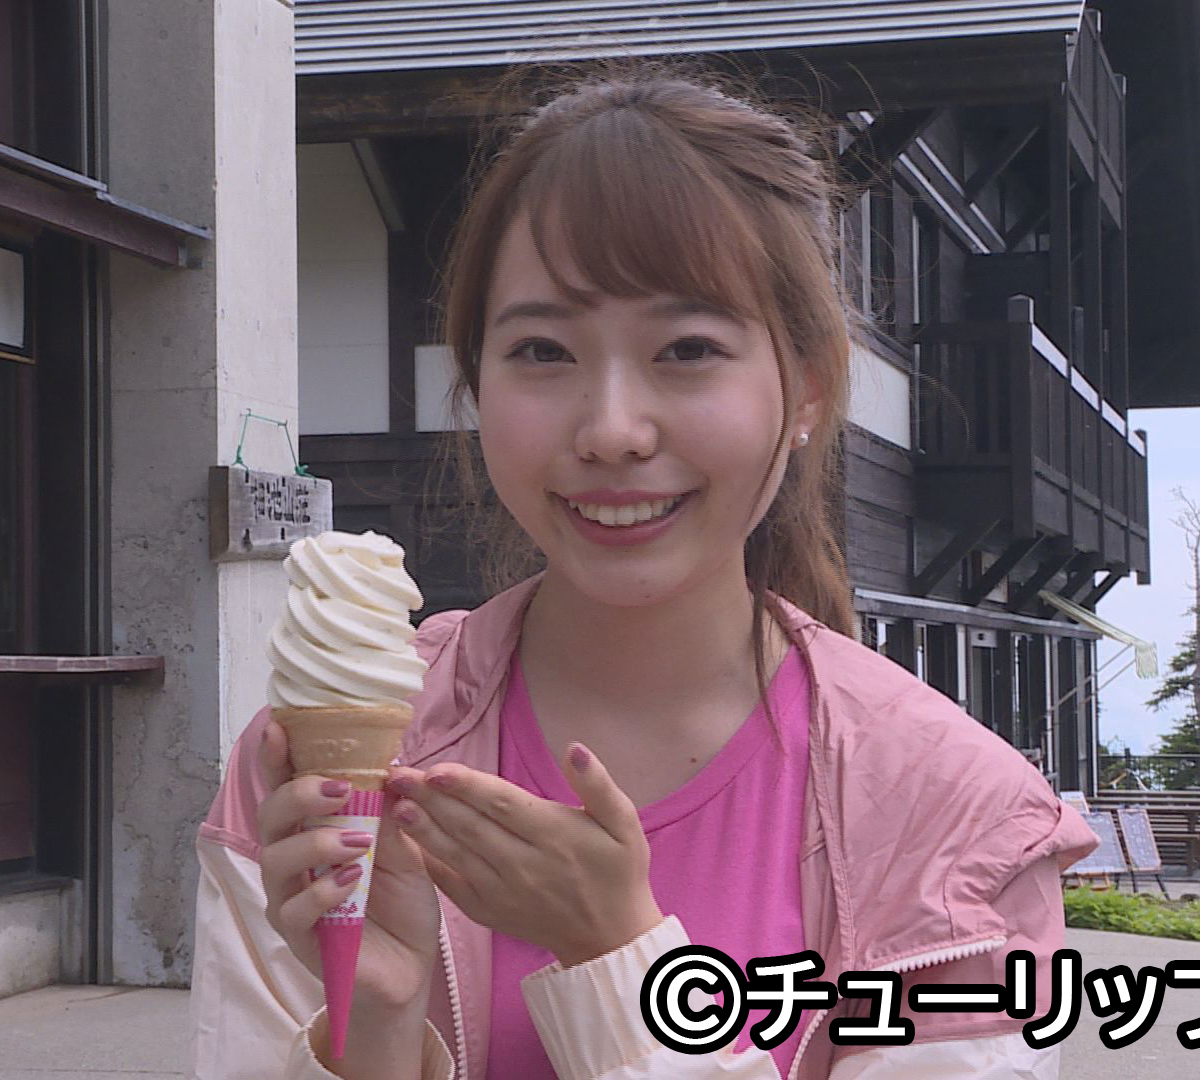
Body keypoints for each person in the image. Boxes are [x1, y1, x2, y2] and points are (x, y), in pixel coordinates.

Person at [190, 69, 1097, 1080]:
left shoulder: (953, 817)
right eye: (543, 350)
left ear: (807, 388)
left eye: (688, 348)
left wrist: (618, 963)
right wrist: (375, 1029)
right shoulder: (311, 772)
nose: (612, 429)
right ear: (476, 381)